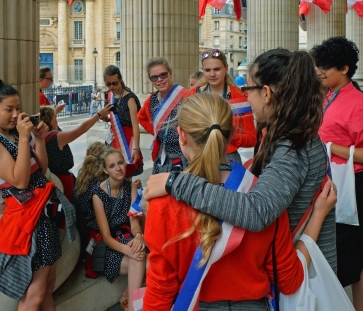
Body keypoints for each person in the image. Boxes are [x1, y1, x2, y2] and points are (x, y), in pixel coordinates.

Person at [123, 93, 336, 311]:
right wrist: (317, 216)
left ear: (181, 135)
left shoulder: (164, 203)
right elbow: (290, 281)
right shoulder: (262, 198)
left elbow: (161, 290)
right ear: (232, 136)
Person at [144, 49, 337, 272]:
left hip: (304, 274)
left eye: (248, 88)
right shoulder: (291, 135)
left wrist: (175, 182)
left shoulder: (292, 146)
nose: (245, 96)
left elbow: (257, 210)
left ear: (266, 93)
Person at [0, 79, 101, 311]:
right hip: (26, 221)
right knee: (33, 296)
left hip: (41, 215)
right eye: (9, 109)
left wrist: (38, 140)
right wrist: (23, 137)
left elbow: (41, 168)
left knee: (46, 288)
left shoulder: (13, 136)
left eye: (18, 108)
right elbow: (20, 180)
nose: (16, 114)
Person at [311, 36, 363, 311]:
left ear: (344, 69)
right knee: (354, 266)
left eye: (325, 67)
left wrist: (333, 149)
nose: (319, 72)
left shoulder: (357, 102)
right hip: (334, 186)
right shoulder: (330, 95)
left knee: (347, 265)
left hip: (352, 187)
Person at [73, 146, 146, 311]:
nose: (118, 169)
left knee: (140, 255)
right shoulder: (98, 194)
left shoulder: (129, 185)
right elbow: (105, 236)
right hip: (105, 247)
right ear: (105, 170)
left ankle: (128, 307)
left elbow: (133, 220)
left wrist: (138, 236)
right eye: (112, 166)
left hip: (124, 237)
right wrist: (129, 250)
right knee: (138, 257)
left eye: (120, 163)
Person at [187, 49, 257, 164]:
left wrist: (228, 135)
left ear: (226, 67)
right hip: (199, 158)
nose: (212, 74)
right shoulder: (192, 95)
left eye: (217, 69)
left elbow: (252, 139)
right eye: (208, 70)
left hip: (229, 160)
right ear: (202, 70)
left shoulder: (239, 97)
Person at [39, 103, 113, 201]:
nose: (57, 120)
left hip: (53, 177)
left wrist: (55, 111)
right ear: (50, 121)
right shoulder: (57, 137)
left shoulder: (40, 136)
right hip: (63, 180)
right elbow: (82, 129)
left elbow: (47, 117)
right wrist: (98, 115)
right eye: (55, 117)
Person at [137, 57, 188, 173]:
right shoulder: (151, 100)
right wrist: (157, 131)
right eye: (154, 77)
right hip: (161, 154)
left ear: (170, 73)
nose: (159, 80)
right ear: (150, 80)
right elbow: (141, 117)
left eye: (163, 75)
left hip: (182, 155)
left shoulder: (186, 96)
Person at [103, 65, 143, 178]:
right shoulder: (110, 95)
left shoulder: (130, 98)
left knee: (125, 174)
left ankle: (127, 195)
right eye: (108, 84)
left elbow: (135, 125)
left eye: (114, 83)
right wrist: (106, 119)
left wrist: (136, 148)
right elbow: (115, 117)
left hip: (127, 140)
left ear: (120, 79)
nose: (111, 86)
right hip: (114, 137)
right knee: (114, 173)